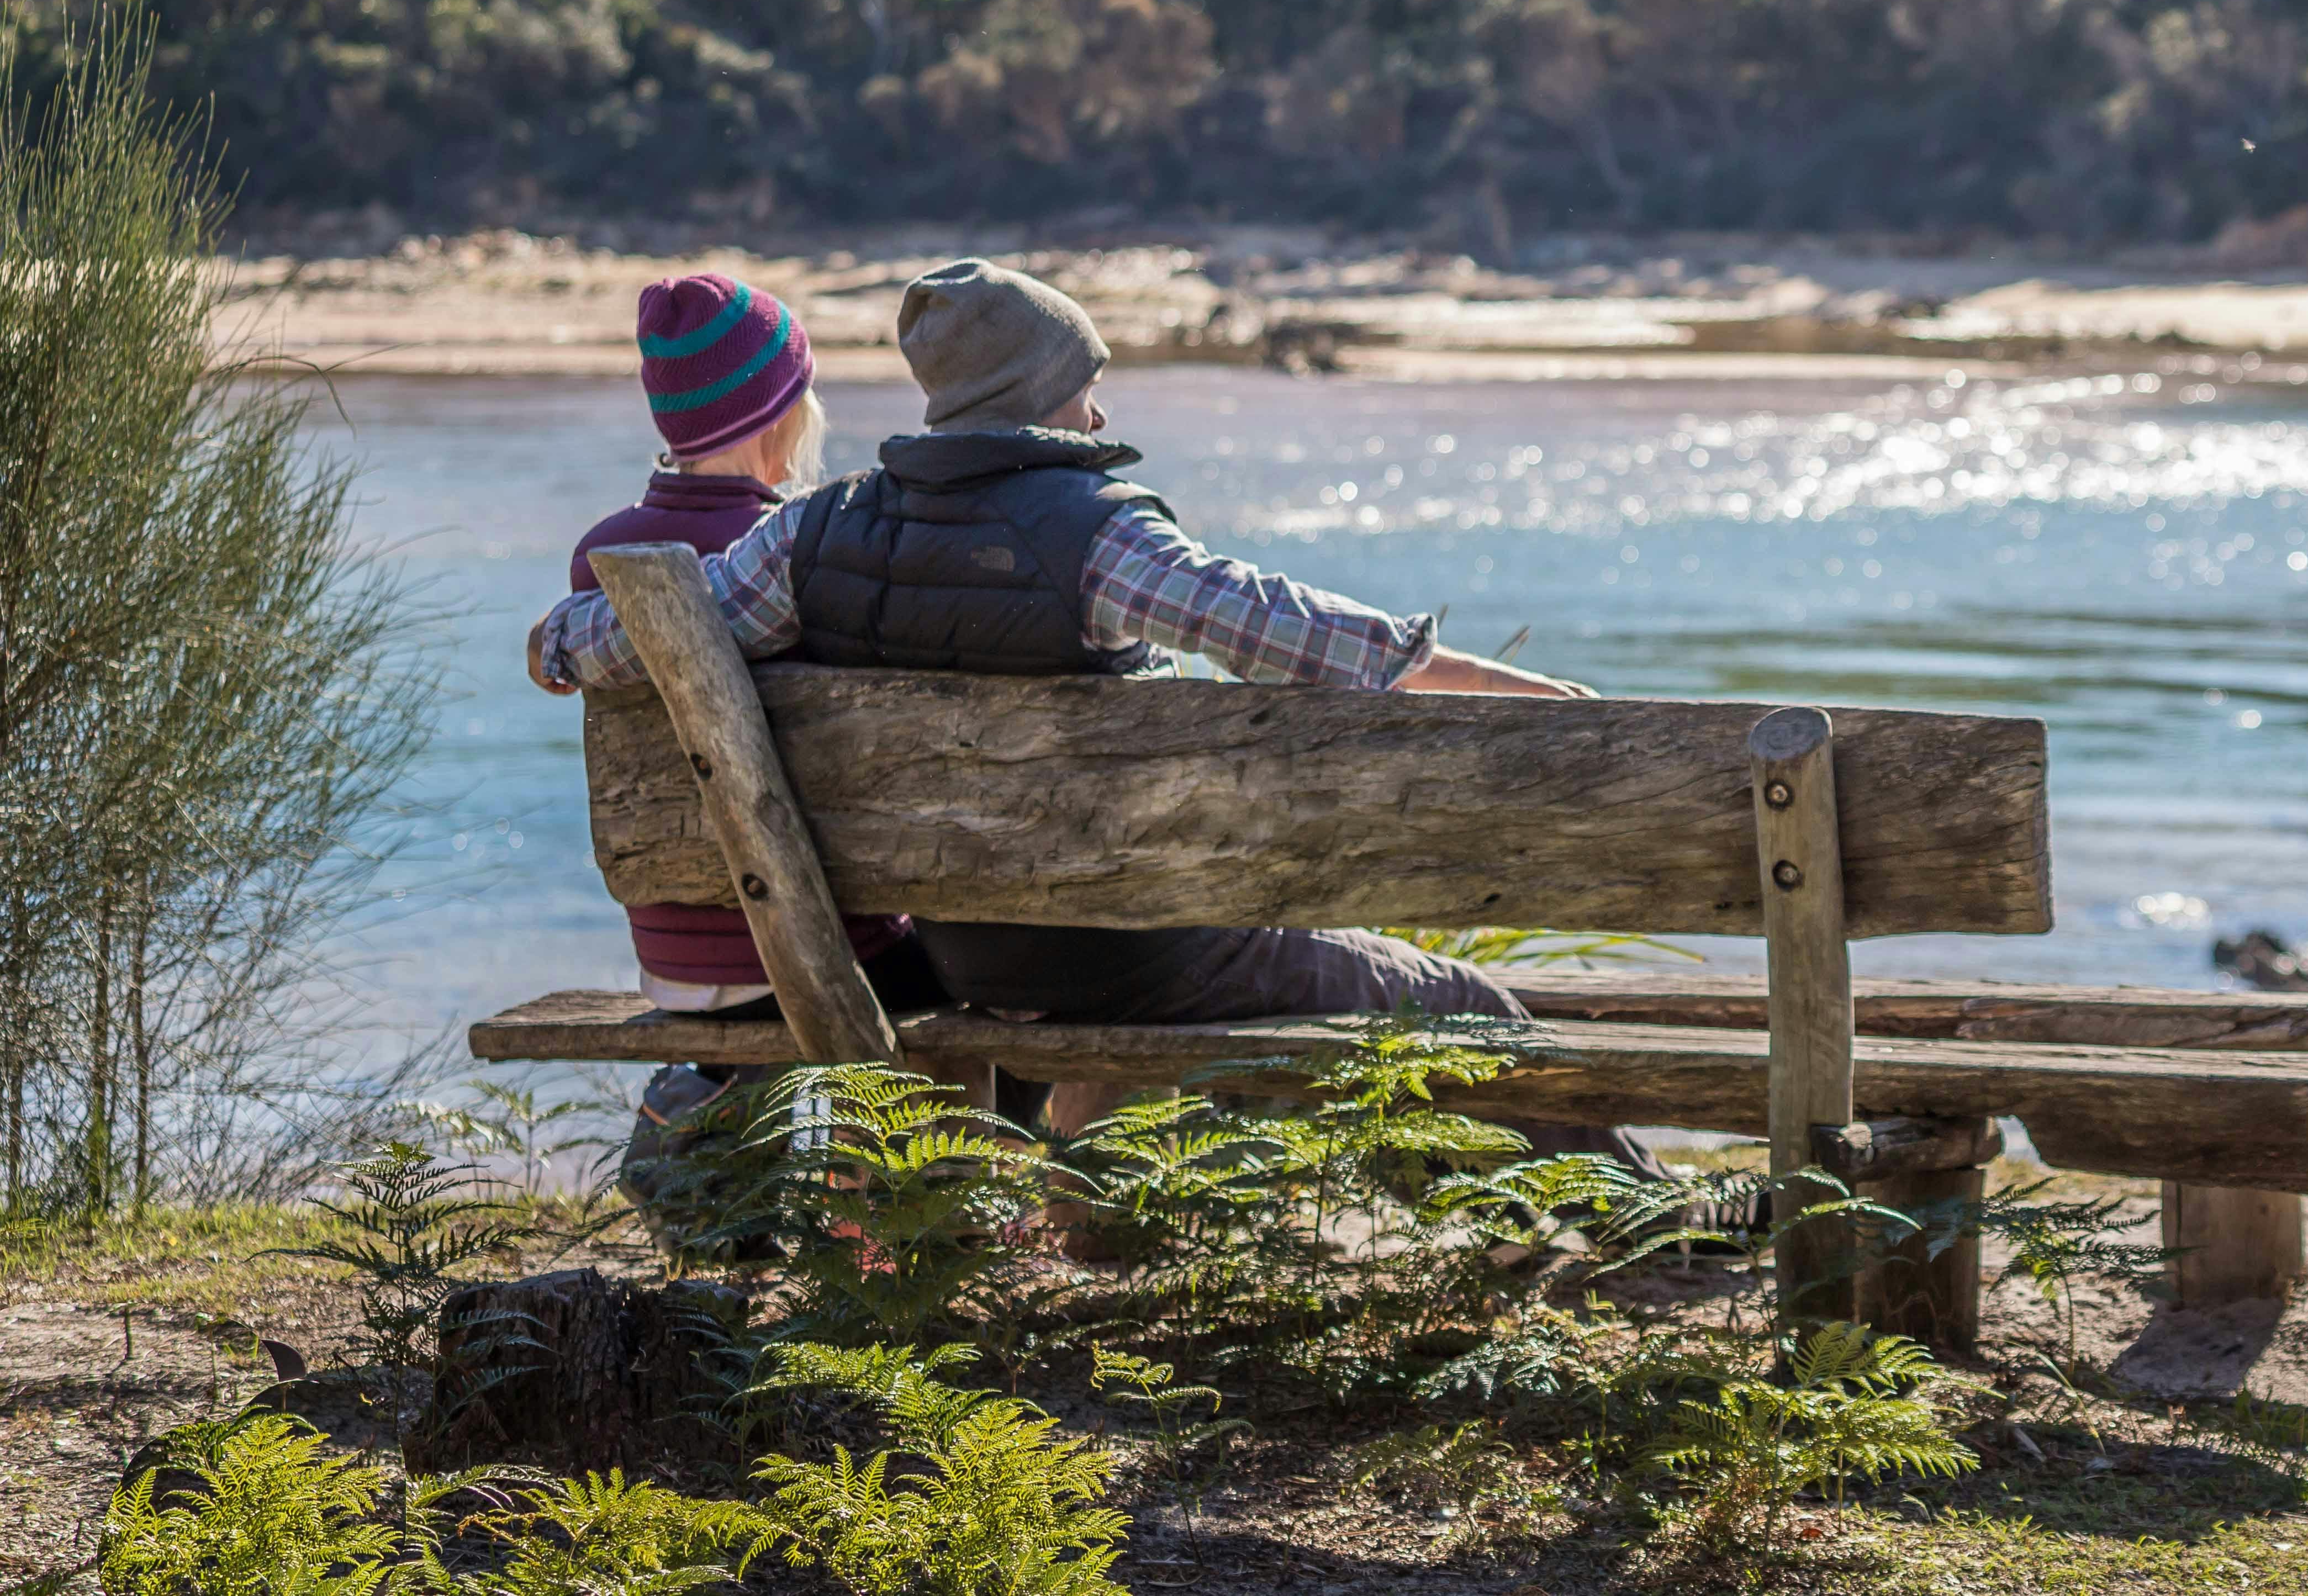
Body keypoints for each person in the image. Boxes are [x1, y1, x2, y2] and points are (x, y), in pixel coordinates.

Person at [527, 257, 1659, 1174]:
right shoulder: (1094, 540)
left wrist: (554, 642)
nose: (1100, 409)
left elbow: (651, 629)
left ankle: (1086, 1225)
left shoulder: (810, 535)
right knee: (1459, 1002)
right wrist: (1495, 684)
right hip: (1128, 951)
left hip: (967, 950)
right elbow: (1282, 629)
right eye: (1085, 382)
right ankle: (1655, 1236)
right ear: (1033, 395)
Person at [561, 274, 952, 1220]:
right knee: (971, 970)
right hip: (816, 953)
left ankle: (710, 1117)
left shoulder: (600, 558)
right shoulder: (802, 550)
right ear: (780, 414)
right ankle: (893, 1218)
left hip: (676, 961)